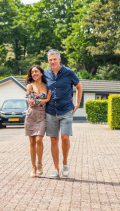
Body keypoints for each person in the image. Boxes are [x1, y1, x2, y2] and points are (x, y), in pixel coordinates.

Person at [44, 49, 82, 178]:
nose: (52, 61)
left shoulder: (69, 72)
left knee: (65, 138)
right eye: (50, 59)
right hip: (50, 111)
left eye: (55, 59)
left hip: (66, 110)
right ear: (48, 61)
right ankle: (56, 169)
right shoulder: (46, 74)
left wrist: (77, 104)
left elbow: (79, 86)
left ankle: (65, 164)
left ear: (60, 59)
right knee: (54, 140)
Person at [25, 65, 51, 178]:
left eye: (36, 71)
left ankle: (40, 164)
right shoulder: (29, 86)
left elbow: (37, 101)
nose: (34, 74)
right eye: (32, 72)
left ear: (41, 73)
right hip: (31, 115)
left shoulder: (47, 86)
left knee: (39, 140)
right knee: (32, 142)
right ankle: (33, 167)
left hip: (42, 115)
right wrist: (46, 99)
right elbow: (31, 102)